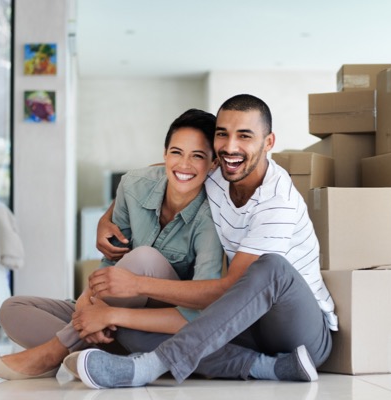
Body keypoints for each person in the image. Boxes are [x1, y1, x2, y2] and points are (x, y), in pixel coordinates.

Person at [75, 94, 338, 389]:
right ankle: (268, 367)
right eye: (222, 135)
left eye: (245, 136)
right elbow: (172, 167)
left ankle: (151, 366)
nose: (230, 146)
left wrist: (133, 288)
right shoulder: (219, 172)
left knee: (270, 267)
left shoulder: (277, 203)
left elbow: (229, 288)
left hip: (299, 333)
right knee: (132, 328)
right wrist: (106, 217)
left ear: (268, 142)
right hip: (248, 325)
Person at [0, 108, 224, 380]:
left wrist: (111, 315)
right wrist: (88, 307)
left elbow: (200, 308)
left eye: (198, 156)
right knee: (12, 310)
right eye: (177, 152)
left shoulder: (213, 214)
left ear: (213, 164)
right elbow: (111, 261)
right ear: (165, 154)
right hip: (121, 314)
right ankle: (101, 353)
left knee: (145, 259)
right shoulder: (133, 185)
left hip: (162, 321)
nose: (184, 164)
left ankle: (55, 351)